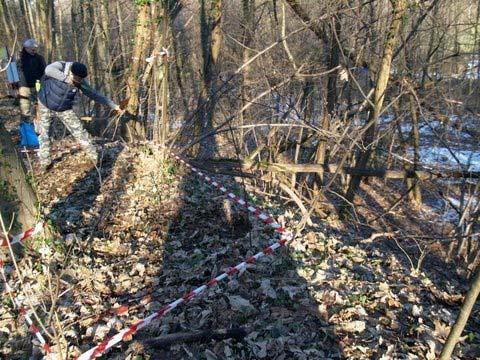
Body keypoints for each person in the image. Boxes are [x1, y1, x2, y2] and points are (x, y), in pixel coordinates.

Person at [37, 61, 122, 170]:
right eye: (77, 79)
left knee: (79, 131)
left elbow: (94, 94)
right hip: (45, 103)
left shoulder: (80, 82)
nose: (79, 81)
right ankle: (45, 162)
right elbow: (48, 70)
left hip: (63, 108)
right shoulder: (60, 66)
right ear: (72, 73)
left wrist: (113, 105)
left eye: (81, 79)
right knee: (45, 134)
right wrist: (67, 80)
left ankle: (95, 158)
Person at [17, 39, 46, 124]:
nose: (34, 51)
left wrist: (43, 84)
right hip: (23, 87)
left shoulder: (39, 58)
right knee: (25, 109)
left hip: (37, 86)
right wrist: (14, 87)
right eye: (32, 49)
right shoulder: (19, 58)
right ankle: (26, 128)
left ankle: (38, 127)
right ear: (26, 48)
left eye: (35, 49)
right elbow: (14, 73)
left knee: (38, 107)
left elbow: (44, 71)